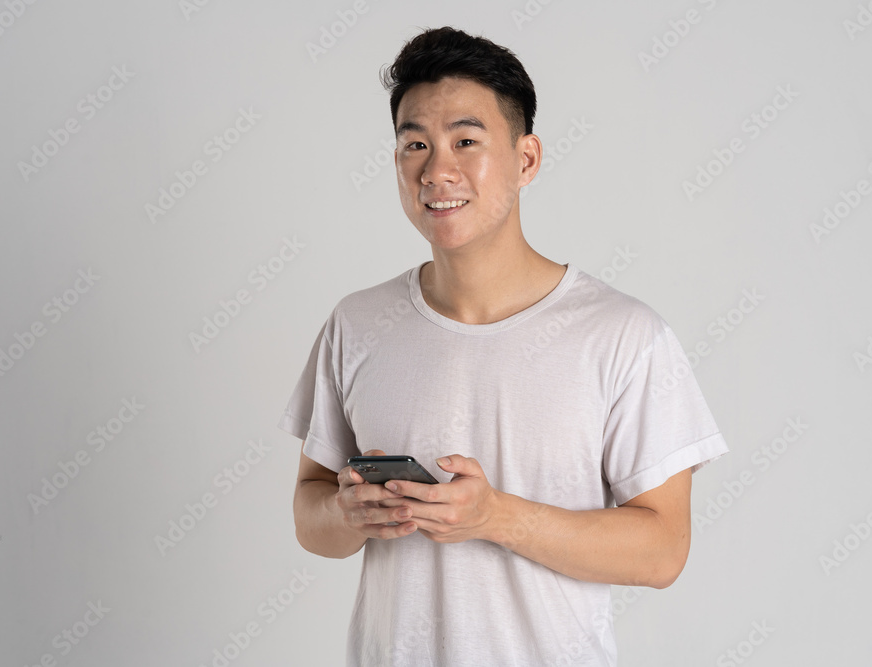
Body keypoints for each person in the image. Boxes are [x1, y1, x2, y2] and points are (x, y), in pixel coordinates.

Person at [279, 25, 729, 666]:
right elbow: (309, 514)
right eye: (415, 144)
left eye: (466, 141)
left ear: (526, 160)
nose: (438, 170)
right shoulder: (357, 323)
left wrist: (494, 517)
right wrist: (350, 514)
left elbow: (663, 551)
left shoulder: (623, 334)